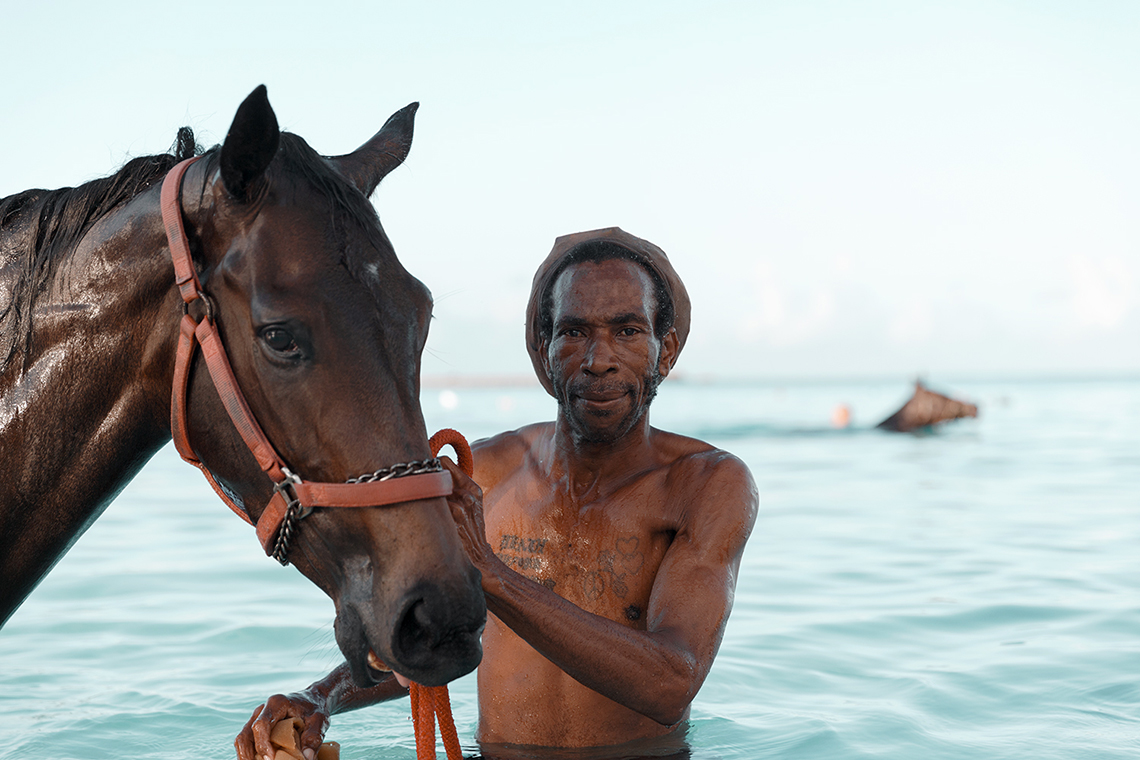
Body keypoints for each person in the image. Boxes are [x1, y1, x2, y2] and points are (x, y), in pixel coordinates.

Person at [235, 227, 758, 759]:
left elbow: (670, 684)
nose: (599, 359)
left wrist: (492, 577)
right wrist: (319, 699)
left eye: (627, 331)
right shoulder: (480, 471)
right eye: (574, 333)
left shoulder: (706, 484)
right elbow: (425, 641)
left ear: (664, 350)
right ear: (542, 350)